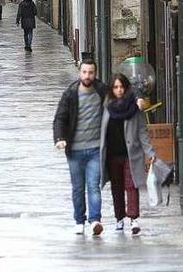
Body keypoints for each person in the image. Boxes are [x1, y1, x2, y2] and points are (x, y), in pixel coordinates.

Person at [53, 59, 108, 235]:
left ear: (95, 74)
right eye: (84, 72)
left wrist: (136, 99)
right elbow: (60, 118)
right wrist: (60, 138)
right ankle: (79, 220)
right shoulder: (70, 94)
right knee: (78, 187)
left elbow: (121, 94)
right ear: (79, 73)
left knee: (93, 185)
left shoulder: (102, 91)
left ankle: (95, 220)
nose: (87, 76)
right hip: (74, 151)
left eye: (91, 72)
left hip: (95, 149)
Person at [99, 73, 155, 235]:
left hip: (131, 154)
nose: (119, 90)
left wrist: (149, 151)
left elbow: (142, 131)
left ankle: (133, 218)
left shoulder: (134, 107)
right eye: (116, 87)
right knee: (116, 187)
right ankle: (119, 218)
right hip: (111, 154)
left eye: (121, 87)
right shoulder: (106, 106)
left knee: (131, 185)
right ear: (111, 89)